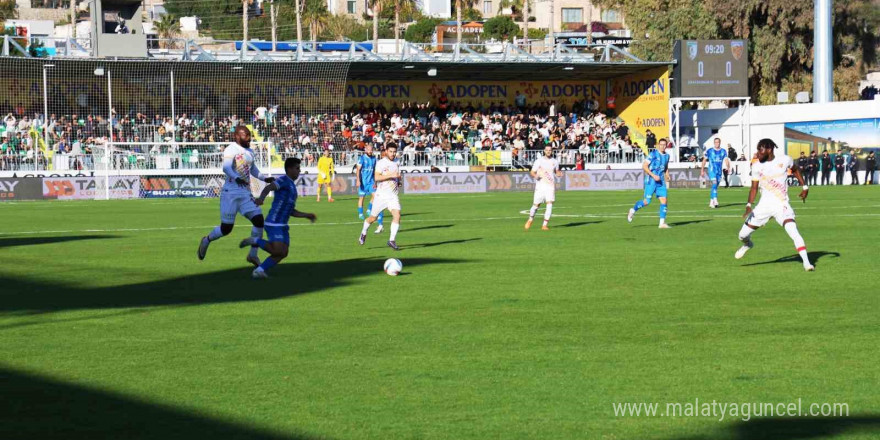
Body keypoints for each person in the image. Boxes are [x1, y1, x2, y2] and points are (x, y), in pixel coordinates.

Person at [198, 125, 274, 267]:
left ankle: (253, 255)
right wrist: (236, 177)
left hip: (245, 194)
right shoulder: (231, 149)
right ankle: (207, 240)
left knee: (259, 220)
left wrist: (264, 178)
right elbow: (226, 167)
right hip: (230, 194)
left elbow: (253, 169)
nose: (249, 138)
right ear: (237, 136)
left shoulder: (250, 151)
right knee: (226, 229)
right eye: (246, 135)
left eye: (250, 135)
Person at [735, 138, 813, 271]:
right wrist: (749, 205)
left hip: (781, 205)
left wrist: (804, 187)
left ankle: (807, 263)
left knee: (793, 231)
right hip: (763, 207)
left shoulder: (785, 160)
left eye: (760, 149)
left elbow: (795, 169)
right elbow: (754, 188)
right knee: (742, 235)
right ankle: (748, 244)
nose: (758, 153)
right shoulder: (756, 166)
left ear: (769, 150)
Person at [240, 158, 316, 279]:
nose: (299, 171)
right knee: (277, 251)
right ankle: (254, 241)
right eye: (297, 168)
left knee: (283, 253)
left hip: (283, 226)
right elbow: (268, 188)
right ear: (289, 169)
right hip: (274, 223)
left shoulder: (292, 188)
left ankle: (259, 270)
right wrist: (261, 199)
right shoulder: (283, 180)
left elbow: (290, 210)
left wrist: (306, 215)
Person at [359, 144, 402, 250]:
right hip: (381, 196)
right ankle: (364, 232)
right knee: (372, 218)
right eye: (390, 151)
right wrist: (391, 175)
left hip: (393, 195)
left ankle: (391, 240)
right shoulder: (381, 163)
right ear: (386, 151)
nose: (393, 154)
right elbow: (377, 177)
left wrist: (399, 181)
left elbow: (397, 175)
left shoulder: (397, 162)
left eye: (394, 152)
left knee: (397, 215)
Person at [628, 138, 671, 228]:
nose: (663, 146)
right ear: (658, 145)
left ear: (666, 146)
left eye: (664, 145)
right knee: (646, 202)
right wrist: (653, 175)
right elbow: (644, 166)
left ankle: (661, 223)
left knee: (664, 201)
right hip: (651, 181)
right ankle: (633, 210)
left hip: (661, 181)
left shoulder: (667, 156)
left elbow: (666, 167)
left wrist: (667, 175)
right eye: (661, 144)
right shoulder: (653, 154)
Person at [525, 145, 563, 231]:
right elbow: (532, 172)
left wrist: (559, 174)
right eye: (547, 150)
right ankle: (530, 219)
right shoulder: (539, 161)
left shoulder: (555, 161)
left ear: (552, 151)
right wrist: (535, 176)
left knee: (549, 205)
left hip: (550, 186)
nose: (548, 151)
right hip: (540, 186)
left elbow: (556, 172)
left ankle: (544, 225)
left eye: (550, 150)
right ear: (544, 151)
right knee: (536, 206)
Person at [355, 143, 384, 233]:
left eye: (371, 150)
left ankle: (369, 208)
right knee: (361, 198)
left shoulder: (374, 159)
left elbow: (375, 171)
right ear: (366, 150)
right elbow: (358, 170)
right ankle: (360, 213)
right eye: (369, 150)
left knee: (376, 196)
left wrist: (375, 182)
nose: (370, 151)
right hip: (363, 181)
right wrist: (358, 180)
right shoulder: (362, 158)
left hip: (371, 181)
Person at [700, 137, 730, 208]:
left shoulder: (723, 151)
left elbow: (726, 160)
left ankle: (711, 201)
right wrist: (702, 170)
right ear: (714, 143)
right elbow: (704, 160)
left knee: (715, 187)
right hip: (711, 170)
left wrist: (728, 167)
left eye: (718, 142)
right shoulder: (710, 151)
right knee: (714, 183)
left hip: (719, 171)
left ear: (720, 143)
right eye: (715, 142)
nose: (717, 143)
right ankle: (715, 200)